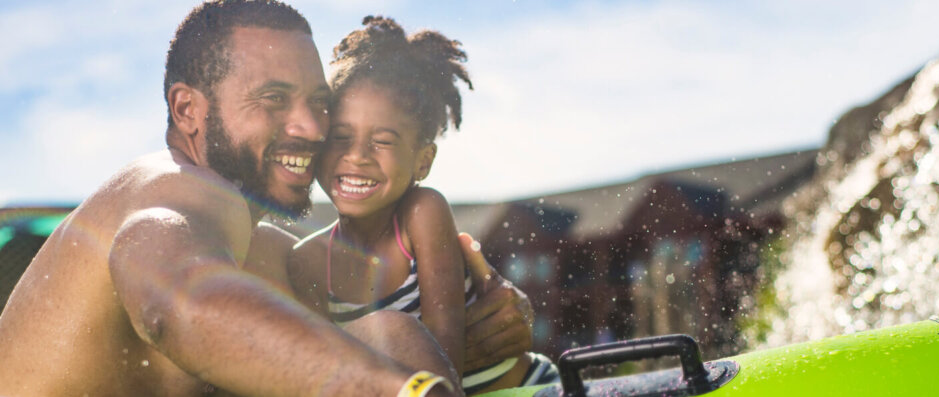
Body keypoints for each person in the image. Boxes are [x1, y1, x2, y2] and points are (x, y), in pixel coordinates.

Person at [0, 1, 532, 396]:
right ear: (187, 110)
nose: (308, 127)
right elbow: (179, 305)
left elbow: (383, 321)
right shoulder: (174, 187)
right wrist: (407, 391)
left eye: (317, 103)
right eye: (274, 99)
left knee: (389, 336)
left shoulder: (264, 248)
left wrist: (487, 322)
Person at [286, 16, 559, 396]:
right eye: (340, 137)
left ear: (422, 161)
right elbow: (326, 369)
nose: (356, 155)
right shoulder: (307, 260)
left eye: (381, 141)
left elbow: (442, 353)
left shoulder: (422, 213)